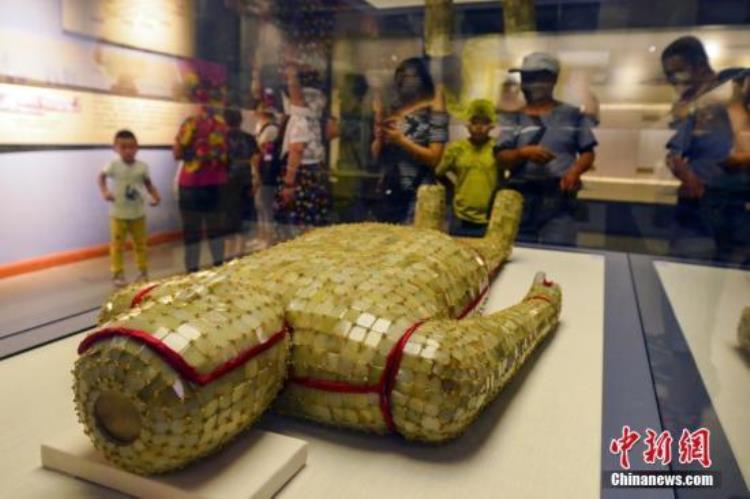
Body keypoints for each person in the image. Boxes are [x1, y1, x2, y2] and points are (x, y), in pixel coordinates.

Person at [661, 38, 750, 262]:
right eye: (669, 75)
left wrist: (742, 159)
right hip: (696, 204)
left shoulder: (735, 85)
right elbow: (675, 150)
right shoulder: (687, 104)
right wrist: (684, 173)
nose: (674, 81)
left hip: (734, 203)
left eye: (679, 72)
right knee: (685, 268)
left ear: (700, 65)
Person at [496, 52, 597, 246]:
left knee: (560, 251)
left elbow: (587, 152)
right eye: (526, 77)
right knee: (520, 252)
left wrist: (575, 172)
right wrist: (522, 153)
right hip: (521, 197)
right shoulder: (513, 117)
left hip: (559, 198)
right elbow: (501, 157)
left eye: (535, 77)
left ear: (552, 80)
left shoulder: (571, 114)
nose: (529, 83)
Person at [372, 57, 448, 223]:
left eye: (408, 76)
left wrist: (401, 140)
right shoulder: (394, 110)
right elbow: (376, 155)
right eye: (399, 75)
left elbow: (434, 158)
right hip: (392, 189)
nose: (402, 81)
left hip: (420, 191)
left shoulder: (434, 110)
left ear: (421, 79)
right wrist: (379, 130)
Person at [275, 57, 333, 240]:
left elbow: (297, 149)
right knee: (313, 223)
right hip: (317, 170)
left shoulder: (299, 116)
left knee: (298, 226)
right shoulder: (315, 113)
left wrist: (289, 183)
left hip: (302, 174)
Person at [173, 89, 229, 272]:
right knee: (216, 232)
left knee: (191, 234)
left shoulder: (190, 123)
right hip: (216, 183)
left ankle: (192, 275)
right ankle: (219, 271)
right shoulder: (221, 125)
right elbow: (227, 155)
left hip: (191, 184)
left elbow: (177, 153)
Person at [98, 129, 161, 287]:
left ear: (137, 147)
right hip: (118, 214)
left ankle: (143, 271)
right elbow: (101, 177)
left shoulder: (142, 167)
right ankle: (117, 273)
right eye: (123, 147)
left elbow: (148, 184)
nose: (128, 151)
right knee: (117, 246)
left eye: (131, 147)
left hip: (138, 214)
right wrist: (105, 191)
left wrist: (155, 195)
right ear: (116, 148)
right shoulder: (113, 165)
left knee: (140, 244)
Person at [435, 99, 500, 237]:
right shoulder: (456, 148)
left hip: (491, 216)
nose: (479, 127)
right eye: (474, 122)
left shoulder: (498, 148)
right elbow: (439, 172)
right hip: (460, 216)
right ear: (467, 124)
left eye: (484, 122)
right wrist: (452, 188)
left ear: (492, 125)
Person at [221, 108, 259, 260]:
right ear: (240, 120)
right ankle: (240, 253)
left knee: (228, 218)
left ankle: (227, 255)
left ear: (225, 120)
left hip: (226, 182)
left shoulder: (221, 138)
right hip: (245, 180)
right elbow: (255, 160)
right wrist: (257, 179)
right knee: (244, 216)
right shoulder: (249, 138)